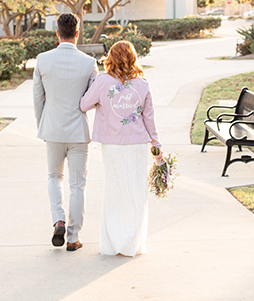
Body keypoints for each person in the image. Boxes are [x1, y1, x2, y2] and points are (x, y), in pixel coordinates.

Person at [79, 40, 162, 257]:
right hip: (136, 145)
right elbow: (149, 119)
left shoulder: (102, 81)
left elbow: (83, 105)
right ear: (133, 58)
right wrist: (156, 145)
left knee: (115, 189)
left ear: (111, 59)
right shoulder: (142, 84)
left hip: (112, 145)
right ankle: (132, 243)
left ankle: (114, 243)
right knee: (135, 191)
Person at [33, 13, 98, 251]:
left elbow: (37, 98)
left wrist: (44, 127)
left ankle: (58, 219)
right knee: (78, 185)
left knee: (54, 177)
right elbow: (92, 100)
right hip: (79, 132)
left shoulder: (42, 60)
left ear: (57, 34)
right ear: (78, 33)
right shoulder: (89, 63)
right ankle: (73, 237)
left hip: (52, 129)